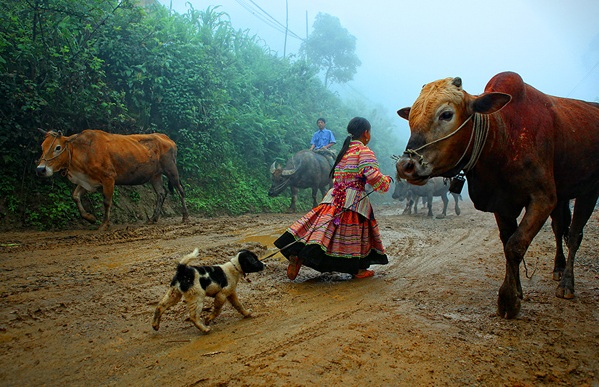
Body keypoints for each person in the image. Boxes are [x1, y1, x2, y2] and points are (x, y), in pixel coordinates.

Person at [274, 116, 392, 280]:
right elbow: (372, 175)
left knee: (321, 231)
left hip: (333, 196)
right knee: (353, 236)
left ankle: (299, 253)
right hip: (353, 200)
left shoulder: (343, 152)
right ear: (366, 133)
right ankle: (357, 269)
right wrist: (387, 181)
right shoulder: (364, 151)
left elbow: (336, 176)